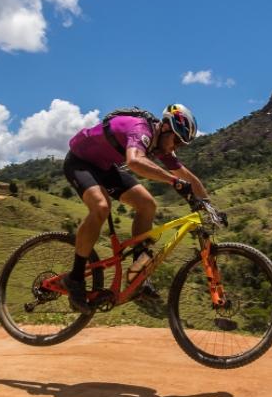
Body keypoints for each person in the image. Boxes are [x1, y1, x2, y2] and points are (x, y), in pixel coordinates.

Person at [61, 104, 209, 313]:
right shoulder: (141, 129)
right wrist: (173, 181)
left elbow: (187, 176)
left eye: (181, 145)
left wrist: (209, 206)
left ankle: (136, 274)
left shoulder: (161, 143)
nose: (174, 147)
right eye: (176, 140)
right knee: (102, 207)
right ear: (165, 127)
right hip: (80, 162)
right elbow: (134, 161)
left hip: (105, 167)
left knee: (147, 205)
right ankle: (74, 278)